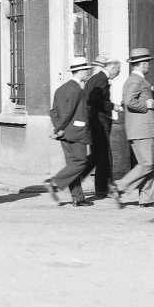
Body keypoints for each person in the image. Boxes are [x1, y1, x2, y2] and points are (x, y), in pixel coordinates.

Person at [111, 48, 154, 208]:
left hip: (140, 128)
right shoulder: (136, 81)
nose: (149, 65)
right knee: (146, 164)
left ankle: (148, 199)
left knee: (147, 164)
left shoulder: (135, 80)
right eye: (147, 62)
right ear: (141, 64)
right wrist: (146, 104)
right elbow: (129, 101)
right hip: (142, 129)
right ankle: (119, 186)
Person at [45, 57, 98, 206]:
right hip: (77, 133)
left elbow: (53, 111)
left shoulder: (61, 89)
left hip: (65, 134)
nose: (88, 73)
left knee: (72, 165)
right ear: (80, 71)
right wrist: (57, 129)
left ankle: (78, 198)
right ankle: (55, 182)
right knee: (80, 163)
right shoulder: (77, 90)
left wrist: (59, 128)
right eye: (86, 70)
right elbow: (68, 113)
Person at [85, 56, 121, 195]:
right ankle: (104, 187)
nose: (117, 74)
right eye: (117, 71)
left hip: (96, 121)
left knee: (99, 155)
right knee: (104, 156)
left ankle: (102, 187)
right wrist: (114, 107)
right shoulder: (101, 79)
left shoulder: (97, 78)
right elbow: (97, 99)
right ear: (111, 68)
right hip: (98, 122)